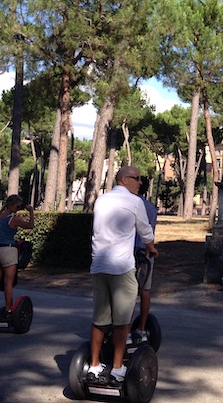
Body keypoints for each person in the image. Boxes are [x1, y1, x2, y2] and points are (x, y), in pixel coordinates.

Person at [88, 165, 158, 386]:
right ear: (125, 180)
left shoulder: (101, 200)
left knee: (99, 320)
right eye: (137, 179)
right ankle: (118, 369)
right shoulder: (135, 202)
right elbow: (145, 231)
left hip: (99, 265)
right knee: (122, 322)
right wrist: (152, 247)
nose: (140, 183)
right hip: (122, 267)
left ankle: (94, 365)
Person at [0, 194, 34, 318]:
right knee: (8, 282)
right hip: (8, 250)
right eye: (17, 206)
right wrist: (31, 212)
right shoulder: (13, 219)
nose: (18, 208)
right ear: (10, 205)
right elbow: (30, 225)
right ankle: (8, 309)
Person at [131, 177, 158, 345]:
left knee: (126, 293)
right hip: (146, 255)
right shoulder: (151, 208)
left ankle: (122, 329)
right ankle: (141, 328)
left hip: (130, 254)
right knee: (145, 291)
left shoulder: (131, 206)